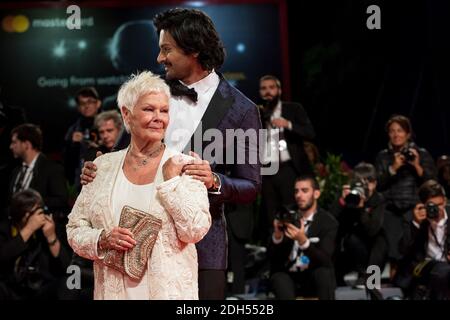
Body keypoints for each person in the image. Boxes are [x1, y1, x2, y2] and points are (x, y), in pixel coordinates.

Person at [80, 8, 261, 299]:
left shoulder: (242, 110)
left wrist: (214, 180)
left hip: (202, 241)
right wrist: (99, 170)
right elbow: (120, 155)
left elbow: (250, 186)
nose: (159, 59)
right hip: (135, 240)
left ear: (195, 50)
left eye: (167, 50)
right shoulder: (151, 95)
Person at [66, 71, 211, 300]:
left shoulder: (185, 166)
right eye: (149, 109)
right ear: (127, 114)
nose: (158, 117)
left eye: (164, 111)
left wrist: (172, 181)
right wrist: (102, 239)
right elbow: (74, 229)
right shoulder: (102, 167)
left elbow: (195, 230)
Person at [375, 115, 436, 264]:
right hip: (390, 210)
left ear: (408, 134)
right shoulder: (382, 157)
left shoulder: (421, 154)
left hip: (414, 209)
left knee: (413, 250)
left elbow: (432, 182)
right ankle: (371, 282)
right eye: (392, 131)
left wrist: (417, 165)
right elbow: (377, 185)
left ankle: (411, 282)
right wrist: (393, 168)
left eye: (400, 130)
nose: (396, 135)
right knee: (379, 248)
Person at [258, 75, 315, 235]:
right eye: (264, 88)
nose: (268, 92)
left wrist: (288, 124)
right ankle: (273, 248)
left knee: (291, 212)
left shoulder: (293, 109)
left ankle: (295, 248)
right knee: (270, 215)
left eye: (271, 87)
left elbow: (310, 133)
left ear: (279, 90)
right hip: (267, 172)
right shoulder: (257, 113)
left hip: (288, 170)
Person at [269, 175, 338, 300]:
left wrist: (303, 242)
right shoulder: (286, 214)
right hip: (290, 276)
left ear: (316, 194)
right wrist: (277, 236)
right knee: (278, 277)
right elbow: (272, 258)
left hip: (313, 276)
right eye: (296, 191)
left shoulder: (328, 222)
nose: (299, 195)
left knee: (324, 273)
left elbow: (325, 259)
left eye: (304, 191)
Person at [0, 189, 70, 299]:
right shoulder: (5, 229)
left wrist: (51, 236)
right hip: (10, 290)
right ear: (23, 214)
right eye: (35, 212)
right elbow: (3, 256)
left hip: (39, 289)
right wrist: (29, 228)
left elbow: (65, 266)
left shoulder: (44, 229)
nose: (40, 216)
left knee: (69, 282)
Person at [331, 162, 388, 288]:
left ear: (374, 184)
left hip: (373, 248)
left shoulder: (378, 199)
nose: (363, 186)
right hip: (351, 247)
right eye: (358, 182)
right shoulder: (348, 197)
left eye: (367, 182)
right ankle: (337, 274)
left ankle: (368, 276)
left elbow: (372, 230)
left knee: (380, 240)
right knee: (348, 237)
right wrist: (341, 202)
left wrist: (361, 209)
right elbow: (331, 221)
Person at [395, 180, 450, 299]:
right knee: (444, 271)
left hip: (446, 265)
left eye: (440, 204)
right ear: (423, 204)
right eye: (432, 206)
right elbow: (402, 250)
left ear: (445, 201)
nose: (438, 210)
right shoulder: (413, 217)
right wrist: (416, 224)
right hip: (424, 265)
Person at [8, 124, 68, 217]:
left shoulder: (52, 169)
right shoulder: (15, 171)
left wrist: (33, 203)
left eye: (14, 142)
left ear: (26, 144)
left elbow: (61, 200)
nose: (11, 146)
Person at [64, 87, 102, 190]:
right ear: (78, 107)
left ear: (98, 103)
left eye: (90, 102)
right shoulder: (73, 130)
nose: (86, 106)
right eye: (82, 103)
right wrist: (73, 145)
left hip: (104, 177)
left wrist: (100, 145)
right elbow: (67, 161)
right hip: (81, 181)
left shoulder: (107, 125)